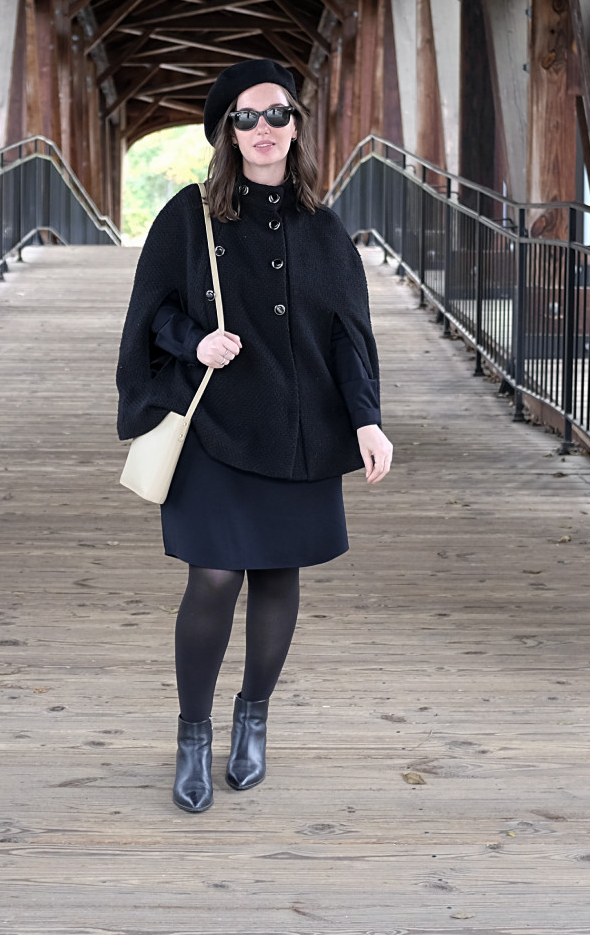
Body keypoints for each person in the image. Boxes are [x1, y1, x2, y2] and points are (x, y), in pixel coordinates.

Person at [115, 58, 395, 814]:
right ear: (226, 133)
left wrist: (368, 420)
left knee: (278, 577)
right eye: (246, 118)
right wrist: (193, 342)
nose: (263, 129)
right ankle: (192, 735)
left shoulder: (325, 229)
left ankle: (254, 720)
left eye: (277, 115)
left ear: (296, 126)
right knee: (212, 578)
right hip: (213, 428)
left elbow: (349, 338)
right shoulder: (188, 216)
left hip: (303, 433)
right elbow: (152, 313)